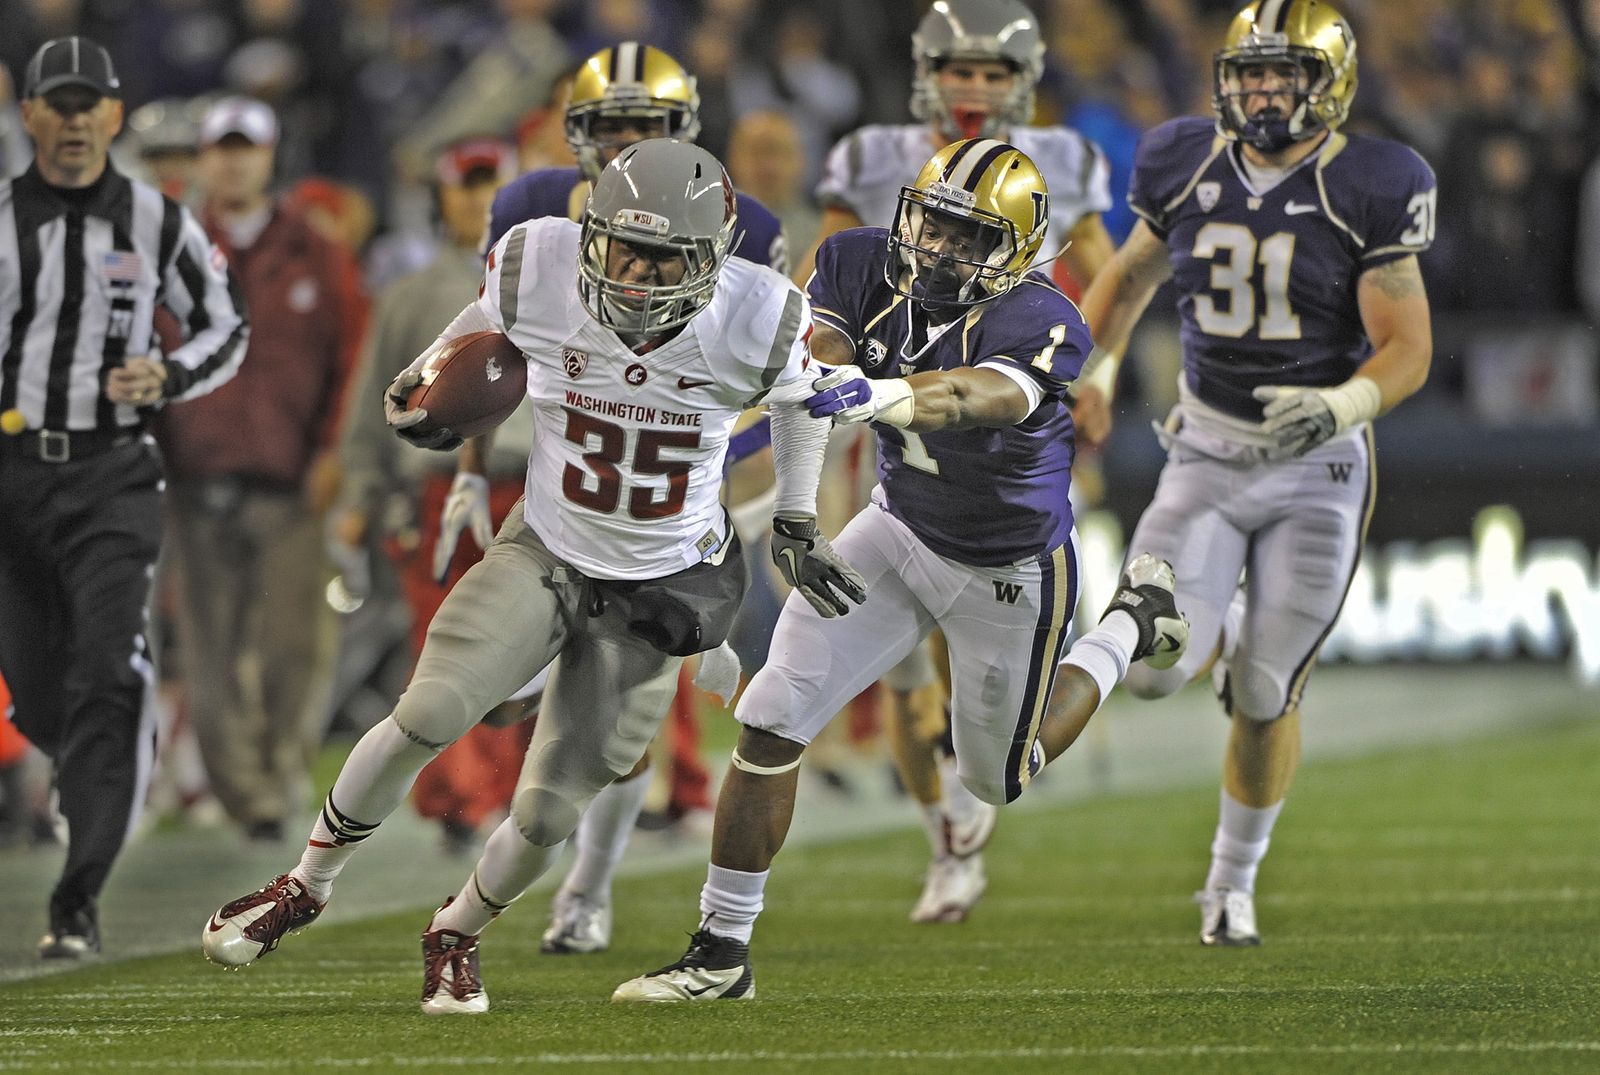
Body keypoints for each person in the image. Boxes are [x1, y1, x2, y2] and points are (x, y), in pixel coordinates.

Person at [201, 138, 865, 1016]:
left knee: (552, 810)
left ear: (710, 258)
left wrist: (794, 516)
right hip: (547, 544)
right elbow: (459, 350)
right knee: (431, 708)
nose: (632, 271)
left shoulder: (762, 312)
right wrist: (422, 401)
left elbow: (801, 405)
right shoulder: (537, 259)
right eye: (621, 245)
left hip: (659, 582)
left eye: (660, 256)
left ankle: (457, 931)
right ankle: (305, 883)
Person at [611, 138, 1189, 1003]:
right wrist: (796, 500)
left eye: (971, 237)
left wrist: (876, 394)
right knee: (772, 715)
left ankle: (1130, 621)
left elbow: (967, 396)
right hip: (898, 528)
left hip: (1011, 567)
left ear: (1021, 252)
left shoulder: (1045, 320)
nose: (942, 250)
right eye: (934, 224)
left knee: (999, 775)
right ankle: (719, 951)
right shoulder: (854, 262)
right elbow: (818, 360)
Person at [1070, 0, 1435, 947]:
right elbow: (1129, 276)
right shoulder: (1185, 159)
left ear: (1332, 83)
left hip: (1317, 469)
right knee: (1151, 672)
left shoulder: (1371, 180)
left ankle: (1231, 882)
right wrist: (1099, 369)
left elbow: (1405, 344)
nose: (1263, 91)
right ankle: (1217, 615)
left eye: (1285, 75)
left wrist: (1345, 403)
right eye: (1249, 74)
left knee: (1267, 693)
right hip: (1206, 450)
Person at [449, 41, 788, 956]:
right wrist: (471, 469)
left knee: (630, 722)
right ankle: (539, 858)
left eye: (647, 124)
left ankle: (587, 889)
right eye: (610, 125)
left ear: (684, 131)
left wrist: (719, 485)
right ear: (575, 133)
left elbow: (765, 386)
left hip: (670, 485)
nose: (627, 139)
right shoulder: (529, 210)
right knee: (503, 694)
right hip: (557, 457)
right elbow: (486, 354)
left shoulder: (741, 220)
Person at [797, 0, 1121, 927]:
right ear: (926, 72)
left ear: (1019, 81)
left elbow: (1097, 275)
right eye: (958, 70)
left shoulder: (1060, 159)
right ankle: (944, 842)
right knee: (899, 666)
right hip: (887, 427)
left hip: (1001, 415)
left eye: (990, 73)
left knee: (979, 624)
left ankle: (984, 769)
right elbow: (821, 281)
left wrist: (1084, 370)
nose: (972, 89)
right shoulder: (871, 158)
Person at [0, 36, 247, 958]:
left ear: (110, 115)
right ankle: (88, 751)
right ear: (29, 115)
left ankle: (78, 895)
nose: (71, 122)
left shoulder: (157, 220)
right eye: (54, 105)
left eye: (86, 104)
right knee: (43, 702)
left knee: (108, 668)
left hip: (111, 472)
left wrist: (169, 372)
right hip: (11, 477)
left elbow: (227, 325)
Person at [157, 95, 368, 844]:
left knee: (293, 646)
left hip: (290, 479)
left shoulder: (319, 251)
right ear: (205, 158)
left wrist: (336, 454)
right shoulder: (171, 247)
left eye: (246, 147)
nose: (234, 160)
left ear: (270, 156)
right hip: (196, 473)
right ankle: (249, 793)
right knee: (207, 648)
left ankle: (278, 772)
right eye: (222, 148)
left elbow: (354, 360)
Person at [331, 136, 524, 858]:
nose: (477, 200)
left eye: (490, 185)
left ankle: (515, 791)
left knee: (531, 649)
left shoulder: (554, 280)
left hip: (531, 483)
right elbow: (370, 405)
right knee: (441, 645)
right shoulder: (410, 296)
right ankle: (460, 800)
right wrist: (362, 492)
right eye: (465, 186)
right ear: (440, 197)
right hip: (440, 486)